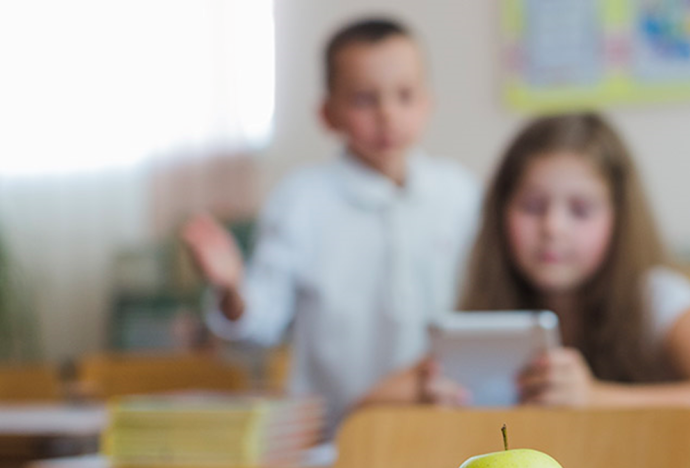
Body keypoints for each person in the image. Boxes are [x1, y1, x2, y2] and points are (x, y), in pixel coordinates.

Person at [364, 113, 690, 440]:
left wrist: (596, 399)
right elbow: (365, 412)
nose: (553, 227)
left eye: (580, 210)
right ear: (500, 214)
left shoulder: (658, 299)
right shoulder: (488, 311)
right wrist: (423, 394)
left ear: (619, 218)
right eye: (533, 206)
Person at [181, 18, 479, 430]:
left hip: (444, 429)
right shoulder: (302, 199)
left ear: (428, 102)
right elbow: (260, 322)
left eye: (405, 95)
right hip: (331, 440)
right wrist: (231, 287)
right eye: (363, 99)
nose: (387, 114)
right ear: (328, 113)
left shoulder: (460, 194)